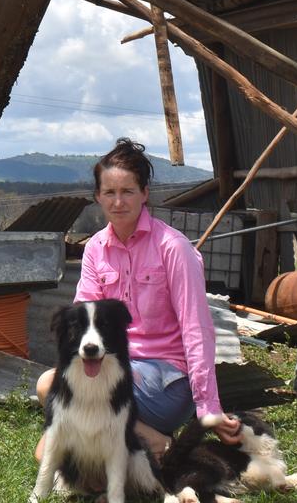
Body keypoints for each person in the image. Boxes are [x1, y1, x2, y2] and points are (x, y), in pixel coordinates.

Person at [34, 138, 241, 461]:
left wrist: (208, 407)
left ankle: (157, 446)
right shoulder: (95, 249)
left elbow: (196, 328)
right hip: (115, 370)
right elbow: (81, 322)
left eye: (128, 191)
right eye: (109, 193)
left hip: (167, 380)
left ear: (144, 194)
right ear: (97, 197)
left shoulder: (174, 248)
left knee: (68, 408)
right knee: (49, 385)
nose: (118, 202)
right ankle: (151, 443)